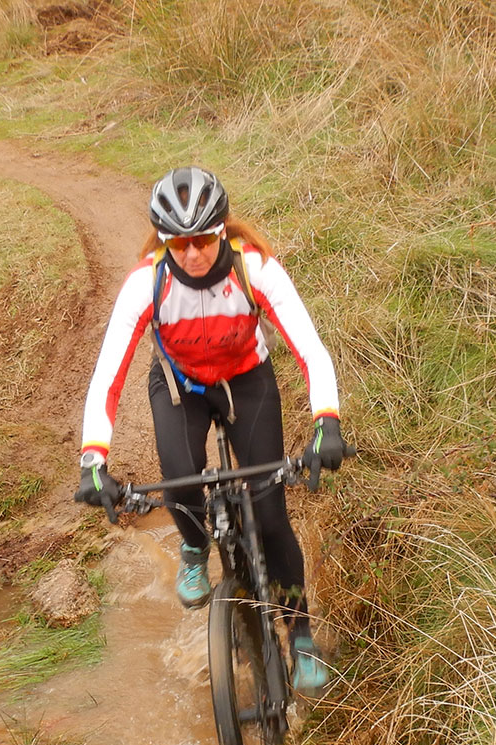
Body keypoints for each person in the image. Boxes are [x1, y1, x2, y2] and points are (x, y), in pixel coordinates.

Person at [72, 166, 347, 694]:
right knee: (178, 481)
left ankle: (302, 637)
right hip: (180, 390)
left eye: (203, 239)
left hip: (248, 383)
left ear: (222, 229)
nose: (193, 253)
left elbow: (310, 347)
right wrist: (93, 458)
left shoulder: (255, 268)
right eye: (179, 243)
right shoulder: (146, 283)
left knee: (270, 514)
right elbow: (107, 373)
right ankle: (195, 548)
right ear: (164, 241)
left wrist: (325, 421)